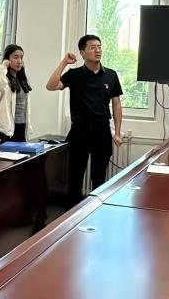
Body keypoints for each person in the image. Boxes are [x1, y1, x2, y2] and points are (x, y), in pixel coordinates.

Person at [47, 34, 124, 206]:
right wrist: (64, 63)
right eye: (92, 47)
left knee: (99, 178)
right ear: (82, 52)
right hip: (79, 130)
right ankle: (71, 214)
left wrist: (117, 132)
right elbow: (51, 86)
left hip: (102, 130)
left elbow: (116, 104)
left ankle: (96, 213)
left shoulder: (111, 75)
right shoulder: (74, 74)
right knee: (75, 177)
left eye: (99, 47)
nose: (97, 50)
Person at [0, 44, 32, 142]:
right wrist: (4, 66)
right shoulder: (3, 79)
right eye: (15, 57)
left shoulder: (22, 80)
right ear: (7, 59)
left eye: (21, 57)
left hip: (22, 126)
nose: (19, 61)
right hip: (8, 129)